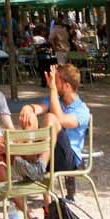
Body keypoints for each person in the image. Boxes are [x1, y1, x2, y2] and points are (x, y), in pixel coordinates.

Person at [15, 64, 91, 199]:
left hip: (67, 161)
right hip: (48, 152)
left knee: (51, 117)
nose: (52, 83)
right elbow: (38, 108)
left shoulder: (82, 110)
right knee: (30, 118)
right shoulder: (55, 99)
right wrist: (28, 108)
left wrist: (53, 90)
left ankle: (38, 167)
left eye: (56, 81)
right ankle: (32, 165)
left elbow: (59, 118)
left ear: (67, 86)